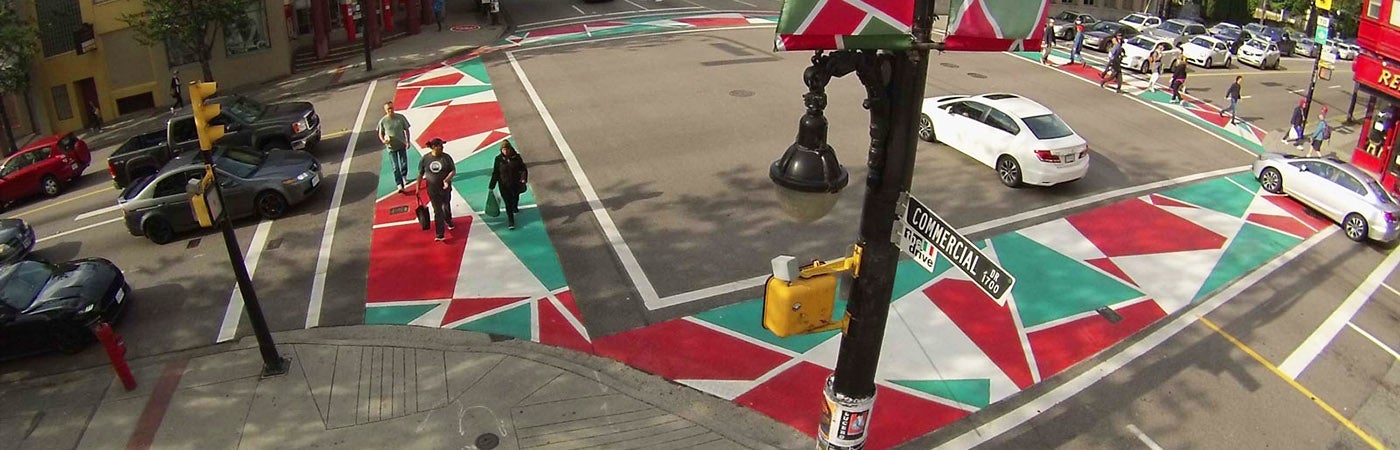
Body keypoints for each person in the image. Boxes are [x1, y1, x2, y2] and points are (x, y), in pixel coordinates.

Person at [419, 138, 456, 241]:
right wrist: (418, 187)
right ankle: (440, 234)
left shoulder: (446, 157)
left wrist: (447, 180)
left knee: (446, 206)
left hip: (445, 189)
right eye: (440, 145)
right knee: (437, 211)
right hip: (432, 190)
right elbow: (420, 173)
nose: (442, 147)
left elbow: (453, 170)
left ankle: (448, 220)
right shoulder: (425, 159)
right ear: (434, 147)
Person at [488, 140, 529, 230]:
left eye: (507, 149)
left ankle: (515, 206)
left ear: (510, 149)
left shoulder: (517, 157)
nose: (505, 151)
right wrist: (492, 185)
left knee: (515, 197)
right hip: (504, 185)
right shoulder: (498, 159)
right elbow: (496, 173)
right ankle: (511, 221)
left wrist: (523, 178)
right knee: (508, 203)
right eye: (503, 150)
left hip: (515, 183)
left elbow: (523, 169)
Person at [378, 101, 412, 194]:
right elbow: (380, 133)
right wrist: (383, 140)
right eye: (388, 109)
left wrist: (408, 141)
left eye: (391, 108)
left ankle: (404, 176)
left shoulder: (400, 118)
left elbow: (407, 129)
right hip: (391, 147)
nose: (390, 110)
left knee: (403, 163)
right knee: (395, 166)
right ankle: (399, 184)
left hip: (401, 144)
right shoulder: (383, 121)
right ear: (385, 110)